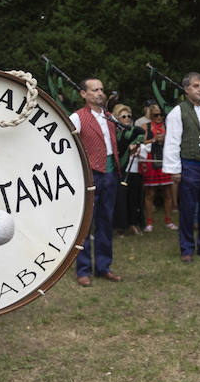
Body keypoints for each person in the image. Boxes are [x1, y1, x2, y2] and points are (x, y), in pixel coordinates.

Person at [162, 71, 200, 262]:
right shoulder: (178, 112)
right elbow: (171, 142)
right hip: (190, 165)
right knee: (187, 209)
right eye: (196, 86)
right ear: (186, 89)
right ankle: (187, 249)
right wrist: (175, 170)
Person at [70, 78, 121, 285]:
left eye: (101, 89)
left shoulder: (110, 117)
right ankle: (83, 270)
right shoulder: (77, 117)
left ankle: (103, 267)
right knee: (86, 224)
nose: (100, 93)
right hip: (89, 175)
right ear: (84, 94)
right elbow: (67, 146)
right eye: (95, 90)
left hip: (110, 173)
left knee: (105, 221)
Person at [138, 103, 175, 231]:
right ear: (151, 115)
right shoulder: (146, 126)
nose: (159, 117)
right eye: (156, 115)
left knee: (168, 192)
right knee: (150, 193)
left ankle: (169, 221)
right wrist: (154, 140)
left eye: (161, 115)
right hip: (151, 160)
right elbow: (140, 141)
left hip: (165, 160)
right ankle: (149, 223)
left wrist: (166, 140)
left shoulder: (168, 127)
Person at [111, 104, 146, 235]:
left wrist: (137, 147)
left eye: (129, 116)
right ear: (117, 118)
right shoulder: (114, 133)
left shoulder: (137, 130)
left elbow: (142, 141)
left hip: (134, 170)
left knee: (134, 198)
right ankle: (121, 226)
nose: (127, 118)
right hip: (119, 170)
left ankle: (134, 224)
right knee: (121, 199)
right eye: (123, 116)